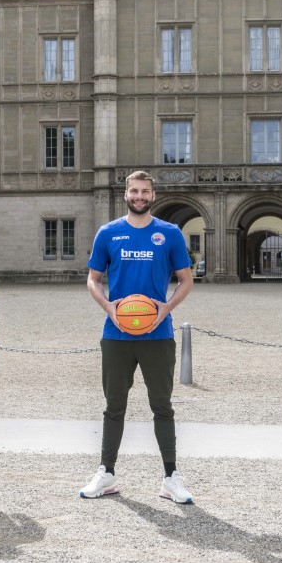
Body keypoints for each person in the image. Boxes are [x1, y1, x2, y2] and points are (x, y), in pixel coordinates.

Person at [80, 170, 195, 503]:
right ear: (125, 194)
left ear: (153, 195)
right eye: (134, 191)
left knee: (162, 406)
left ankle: (171, 478)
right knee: (114, 406)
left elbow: (186, 280)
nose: (140, 196)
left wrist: (165, 307)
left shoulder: (169, 234)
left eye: (145, 191)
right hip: (116, 334)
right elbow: (93, 279)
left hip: (158, 334)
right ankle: (106, 474)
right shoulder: (109, 233)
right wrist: (109, 308)